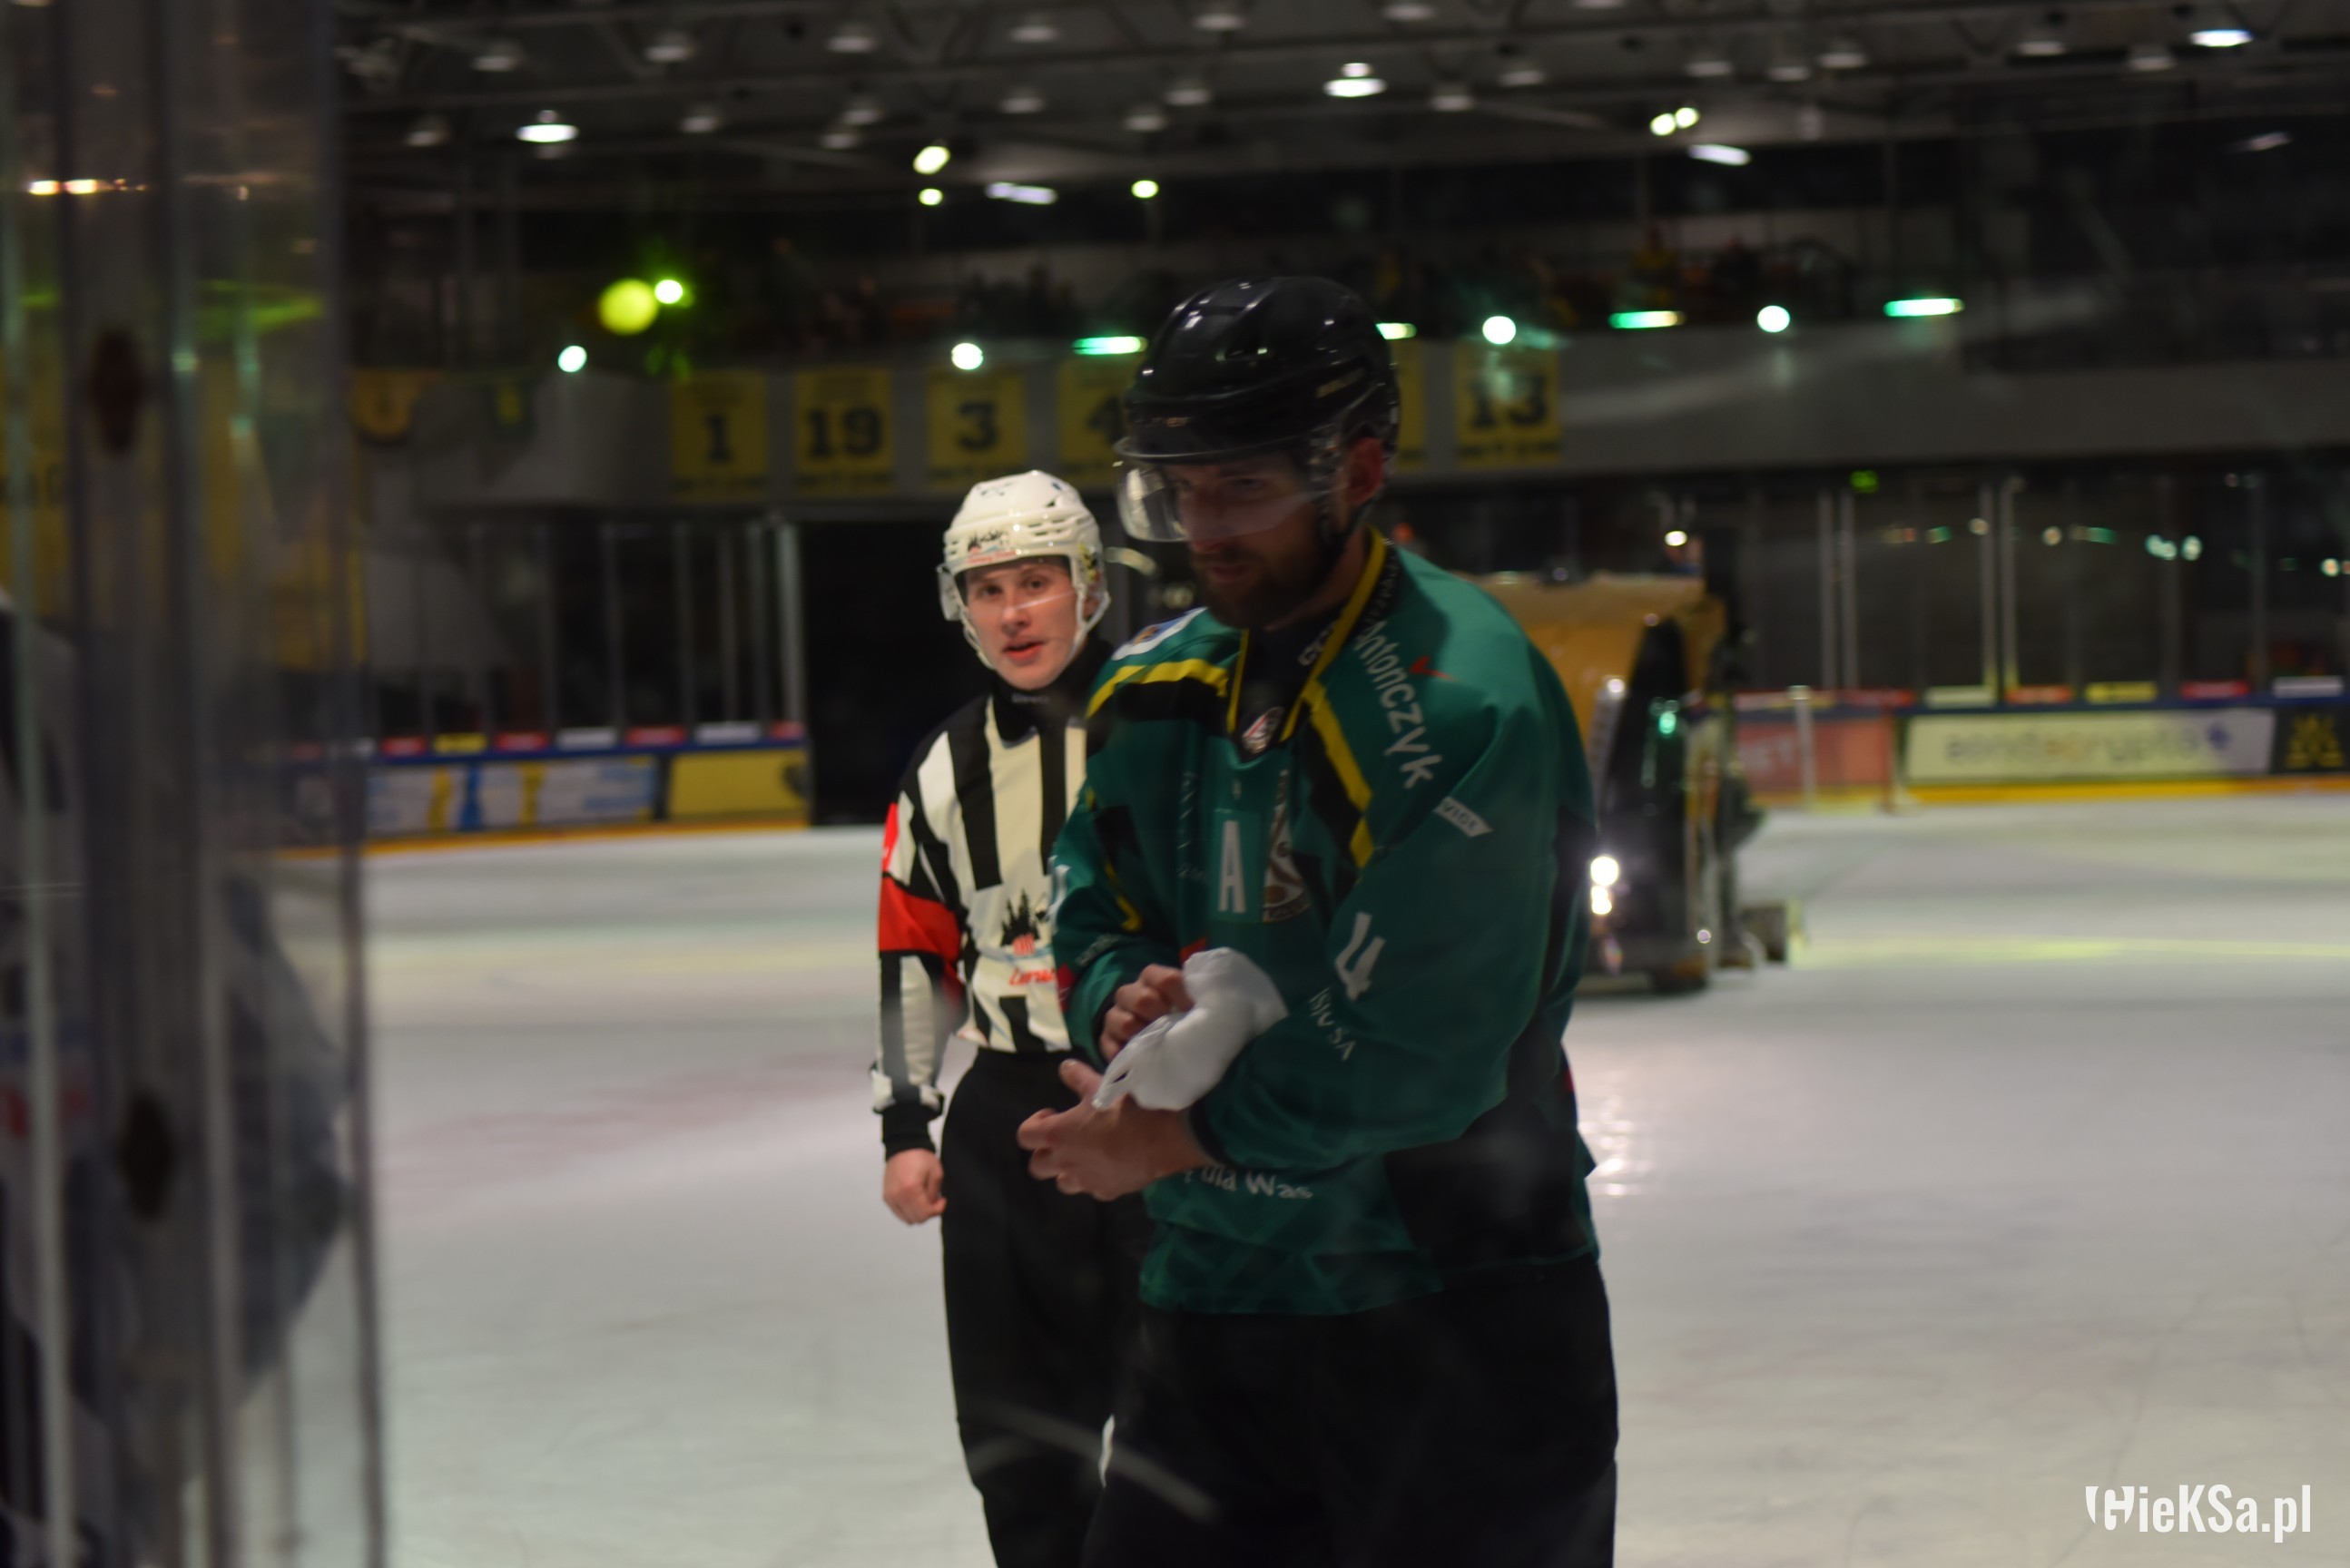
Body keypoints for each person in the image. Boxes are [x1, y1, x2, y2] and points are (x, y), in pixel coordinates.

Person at [1017, 277, 1618, 1567]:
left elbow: (1421, 1048)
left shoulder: (1460, 701)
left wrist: (1167, 1138)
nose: (1204, 528)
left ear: (1357, 469)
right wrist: (1118, 998)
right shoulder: (1153, 687)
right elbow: (1092, 901)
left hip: (1454, 1307)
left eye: (1241, 489)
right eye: (1178, 491)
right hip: (1213, 1300)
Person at [870, 471, 1148, 1568]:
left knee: (1186, 1433)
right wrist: (907, 1125)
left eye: (1037, 581)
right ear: (960, 606)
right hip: (1005, 1126)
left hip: (1158, 1110)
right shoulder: (943, 768)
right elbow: (914, 956)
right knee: (1019, 1446)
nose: (1014, 613)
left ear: (1089, 586)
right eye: (988, 590)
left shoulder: (1161, 726)